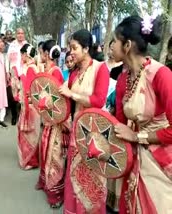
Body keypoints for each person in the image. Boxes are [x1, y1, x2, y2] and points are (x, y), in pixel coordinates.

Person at [111, 15, 172, 214]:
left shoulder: (160, 75)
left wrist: (137, 136)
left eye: (115, 41)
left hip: (160, 161)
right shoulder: (123, 80)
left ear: (127, 45)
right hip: (133, 156)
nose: (111, 46)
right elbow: (120, 122)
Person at [59, 29, 109, 214]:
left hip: (94, 130)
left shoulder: (100, 68)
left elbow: (98, 100)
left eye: (74, 48)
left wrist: (71, 94)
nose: (71, 52)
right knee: (75, 173)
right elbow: (66, 95)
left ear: (86, 48)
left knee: (93, 175)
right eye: (70, 48)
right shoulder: (75, 72)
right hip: (77, 127)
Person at [35, 40, 66, 208]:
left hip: (55, 120)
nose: (40, 55)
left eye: (41, 53)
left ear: (46, 54)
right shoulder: (48, 70)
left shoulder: (56, 72)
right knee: (45, 150)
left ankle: (56, 193)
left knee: (54, 155)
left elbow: (58, 100)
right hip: (47, 118)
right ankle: (45, 182)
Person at [17, 43, 40, 170]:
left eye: (22, 54)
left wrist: (25, 108)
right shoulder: (32, 67)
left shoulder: (30, 69)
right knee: (30, 133)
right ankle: (31, 159)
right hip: (30, 104)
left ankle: (30, 161)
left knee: (28, 133)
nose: (21, 57)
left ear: (26, 54)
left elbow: (29, 89)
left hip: (29, 106)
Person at [7, 28, 28, 125]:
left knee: (23, 96)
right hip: (13, 74)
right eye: (18, 33)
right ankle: (14, 116)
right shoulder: (12, 45)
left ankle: (22, 116)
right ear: (16, 34)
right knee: (13, 96)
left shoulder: (27, 45)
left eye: (22, 33)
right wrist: (7, 72)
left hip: (24, 74)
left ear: (24, 34)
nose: (20, 35)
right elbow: (7, 60)